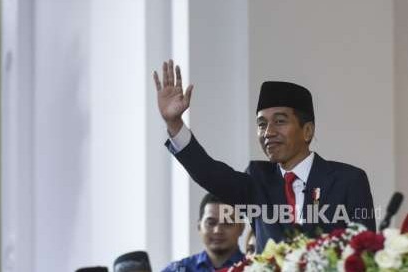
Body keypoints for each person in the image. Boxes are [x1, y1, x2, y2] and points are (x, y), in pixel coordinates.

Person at [153, 59, 376, 253]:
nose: (268, 132)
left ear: (307, 130)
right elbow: (209, 173)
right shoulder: (258, 180)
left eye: (279, 121)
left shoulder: (349, 180)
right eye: (261, 124)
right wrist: (175, 124)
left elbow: (365, 252)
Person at [163, 193, 245, 272]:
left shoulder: (253, 267)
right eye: (211, 223)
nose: (217, 231)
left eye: (227, 223)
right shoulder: (179, 269)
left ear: (241, 227)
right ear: (199, 226)